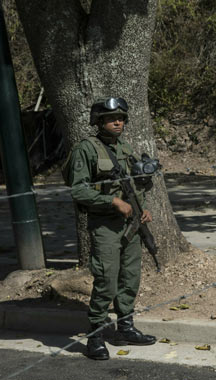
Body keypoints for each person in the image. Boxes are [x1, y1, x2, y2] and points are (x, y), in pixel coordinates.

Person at [68, 97, 157, 360]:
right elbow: (78, 189)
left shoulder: (125, 148)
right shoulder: (87, 149)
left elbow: (134, 184)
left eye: (120, 118)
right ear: (99, 121)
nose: (117, 122)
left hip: (130, 224)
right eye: (111, 118)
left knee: (130, 278)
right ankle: (95, 334)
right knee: (106, 280)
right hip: (105, 225)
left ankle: (125, 327)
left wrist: (143, 208)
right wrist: (112, 201)